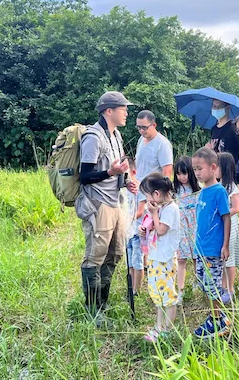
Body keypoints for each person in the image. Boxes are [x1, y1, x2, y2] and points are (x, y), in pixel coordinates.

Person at [78, 91, 134, 320]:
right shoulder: (93, 137)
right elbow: (85, 175)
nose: (127, 113)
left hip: (116, 202)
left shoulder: (116, 135)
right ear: (108, 111)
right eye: (123, 109)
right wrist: (111, 172)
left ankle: (103, 303)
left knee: (115, 254)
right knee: (95, 256)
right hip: (98, 203)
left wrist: (127, 179)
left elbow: (120, 163)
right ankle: (93, 310)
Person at [191, 147, 231, 339]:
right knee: (203, 282)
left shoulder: (219, 191)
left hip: (213, 249)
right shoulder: (202, 191)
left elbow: (226, 218)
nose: (197, 173)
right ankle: (219, 316)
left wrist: (225, 245)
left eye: (200, 168)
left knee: (212, 284)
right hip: (201, 248)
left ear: (213, 167)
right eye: (195, 169)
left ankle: (216, 322)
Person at [137, 173, 180, 342]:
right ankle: (159, 326)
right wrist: (144, 229)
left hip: (165, 258)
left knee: (167, 295)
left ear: (156, 194)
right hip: (156, 256)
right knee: (158, 294)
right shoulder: (161, 208)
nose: (146, 200)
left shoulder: (171, 209)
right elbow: (153, 226)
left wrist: (154, 212)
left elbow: (162, 229)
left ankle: (167, 330)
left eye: (147, 196)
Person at [134, 110, 174, 271]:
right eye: (139, 128)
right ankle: (142, 262)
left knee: (152, 227)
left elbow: (167, 171)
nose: (142, 131)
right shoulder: (141, 140)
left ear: (154, 125)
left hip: (153, 194)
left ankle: (154, 262)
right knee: (141, 229)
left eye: (145, 127)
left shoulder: (162, 144)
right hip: (138, 190)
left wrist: (159, 197)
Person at [173, 156, 201, 305]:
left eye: (184, 173)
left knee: (197, 257)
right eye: (179, 174)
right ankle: (181, 290)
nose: (182, 177)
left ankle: (198, 284)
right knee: (181, 258)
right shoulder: (175, 190)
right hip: (181, 225)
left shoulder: (198, 188)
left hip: (195, 224)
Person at [216, 152, 239, 304]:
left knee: (229, 258)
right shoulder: (219, 185)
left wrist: (222, 214)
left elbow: (236, 208)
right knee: (223, 258)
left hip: (230, 226)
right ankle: (223, 286)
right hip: (222, 226)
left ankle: (230, 289)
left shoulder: (231, 187)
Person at [123, 157, 145, 295]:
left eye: (126, 174)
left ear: (133, 172)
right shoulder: (123, 190)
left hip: (137, 231)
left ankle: (137, 290)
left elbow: (140, 211)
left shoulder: (140, 190)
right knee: (129, 263)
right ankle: (131, 288)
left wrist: (125, 218)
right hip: (126, 232)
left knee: (137, 262)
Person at [207, 99, 239, 179]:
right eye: (214, 106)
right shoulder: (214, 129)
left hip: (231, 172)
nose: (216, 109)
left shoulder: (233, 128)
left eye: (219, 107)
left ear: (227, 108)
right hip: (217, 171)